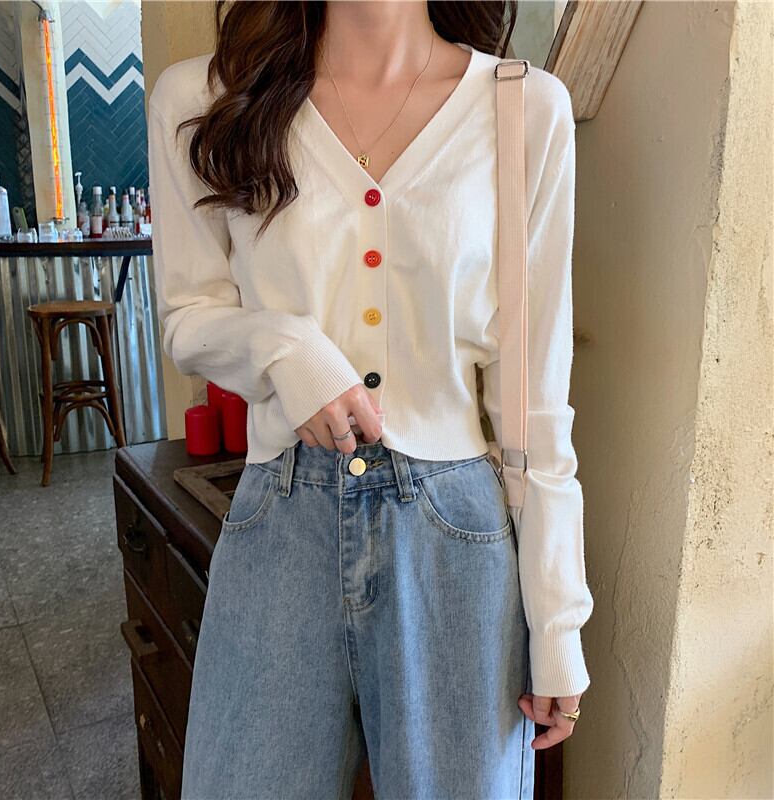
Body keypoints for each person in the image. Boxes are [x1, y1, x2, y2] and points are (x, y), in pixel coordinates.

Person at [148, 1, 594, 797]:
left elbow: (534, 403)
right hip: (282, 521)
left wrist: (557, 620)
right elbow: (189, 316)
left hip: (455, 538)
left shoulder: (524, 107)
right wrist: (288, 350)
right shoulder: (206, 99)